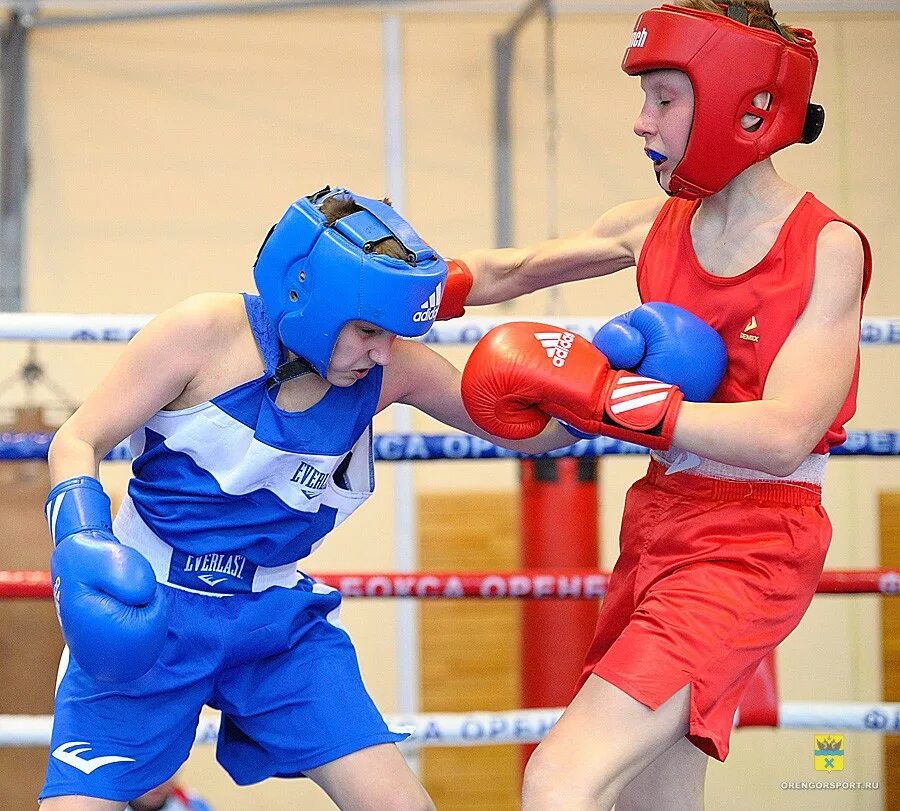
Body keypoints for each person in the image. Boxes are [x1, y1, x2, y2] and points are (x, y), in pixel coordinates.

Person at [443, 2, 872, 809]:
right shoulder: (652, 226)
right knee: (651, 796)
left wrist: (617, 399)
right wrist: (408, 286)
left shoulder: (826, 245)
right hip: (659, 521)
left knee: (561, 775)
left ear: (742, 100)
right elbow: (517, 266)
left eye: (665, 99)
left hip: (751, 541)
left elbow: (785, 432)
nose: (642, 124)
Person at [39, 186, 576, 810]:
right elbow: (76, 438)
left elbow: (522, 431)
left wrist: (614, 396)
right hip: (152, 608)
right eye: (369, 329)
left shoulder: (389, 369)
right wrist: (80, 538)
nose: (381, 349)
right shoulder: (200, 333)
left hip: (274, 620)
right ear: (308, 300)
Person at [127, 776, 212, 811]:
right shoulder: (114, 804)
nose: (156, 785)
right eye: (145, 776)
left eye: (164, 775)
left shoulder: (193, 806)